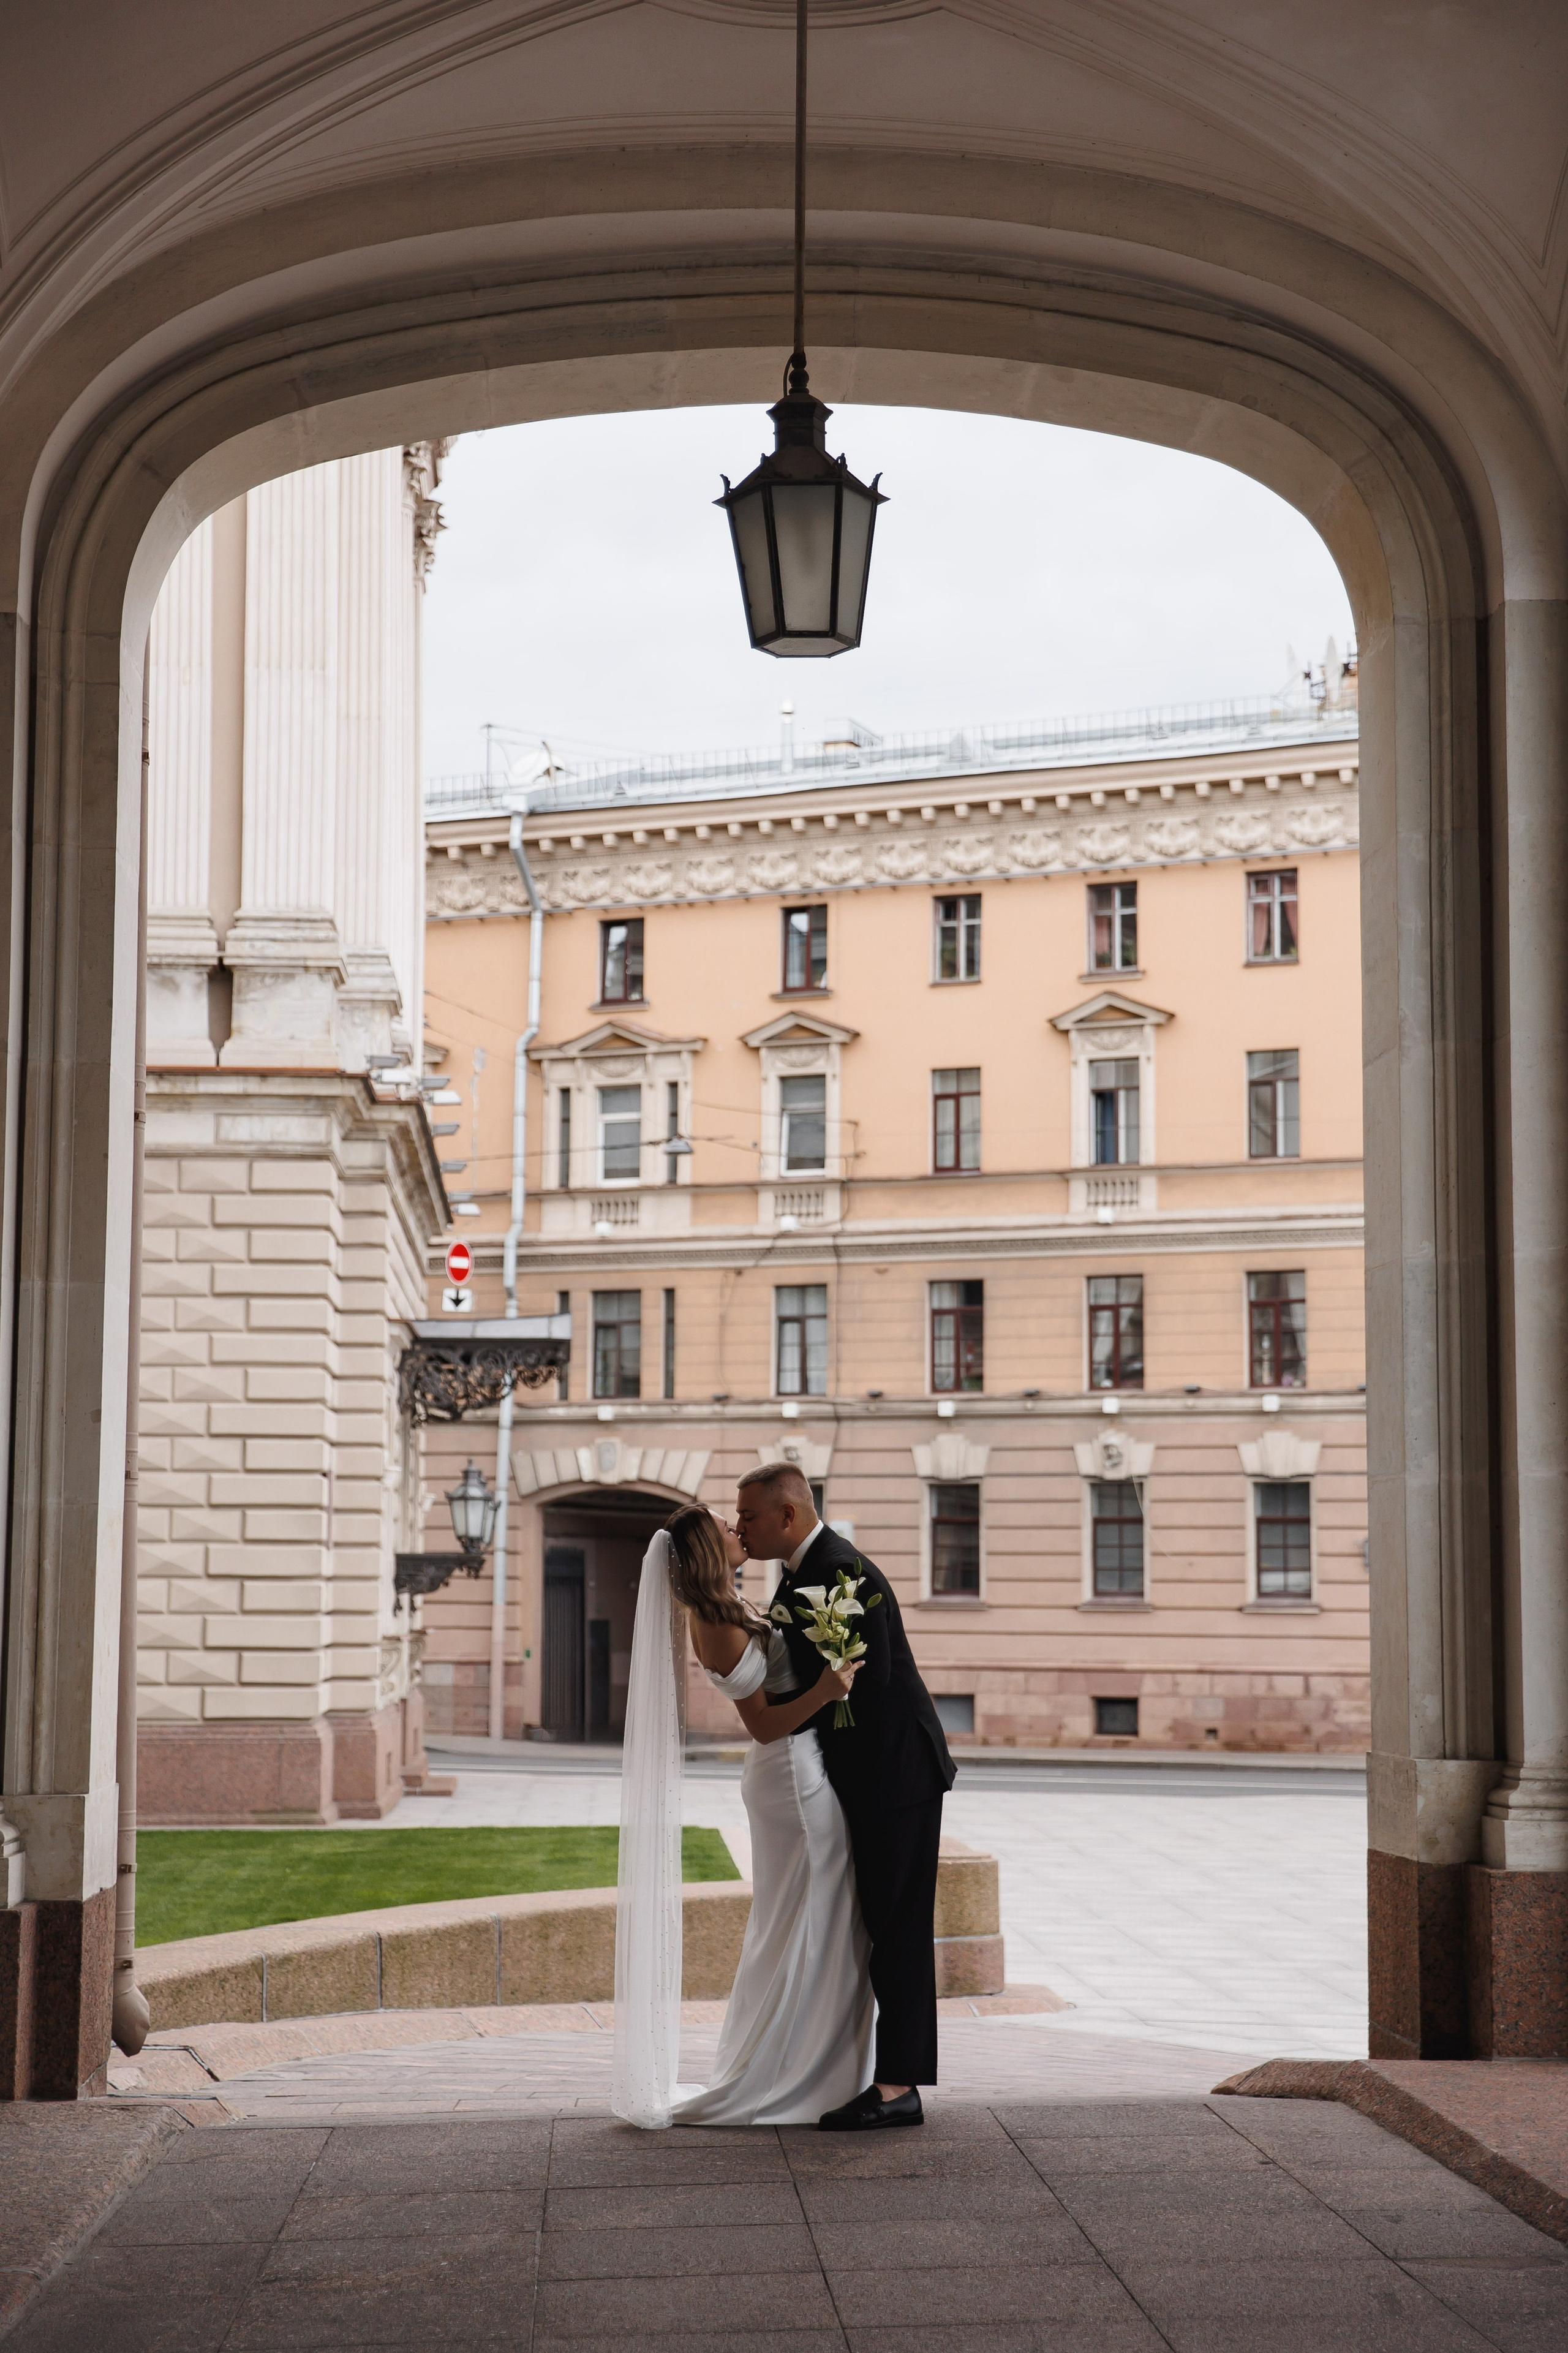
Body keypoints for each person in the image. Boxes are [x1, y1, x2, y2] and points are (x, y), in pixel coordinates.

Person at [611, 1503, 872, 2129]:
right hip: (786, 1771)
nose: (735, 1527)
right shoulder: (715, 1620)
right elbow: (759, 1725)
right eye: (725, 1527)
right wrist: (827, 1690)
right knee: (807, 1917)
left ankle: (804, 2061)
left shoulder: (728, 1606)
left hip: (795, 1768)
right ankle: (787, 2072)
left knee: (802, 1918)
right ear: (704, 1549)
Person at [735, 1460, 956, 2131]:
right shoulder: (804, 1573)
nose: (741, 1527)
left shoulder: (835, 1571)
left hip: (897, 1776)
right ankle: (869, 2071)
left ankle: (897, 2088)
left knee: (898, 1929)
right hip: (865, 1774)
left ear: (788, 1517)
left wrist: (794, 1717)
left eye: (749, 1516)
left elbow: (866, 1683)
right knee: (879, 1926)